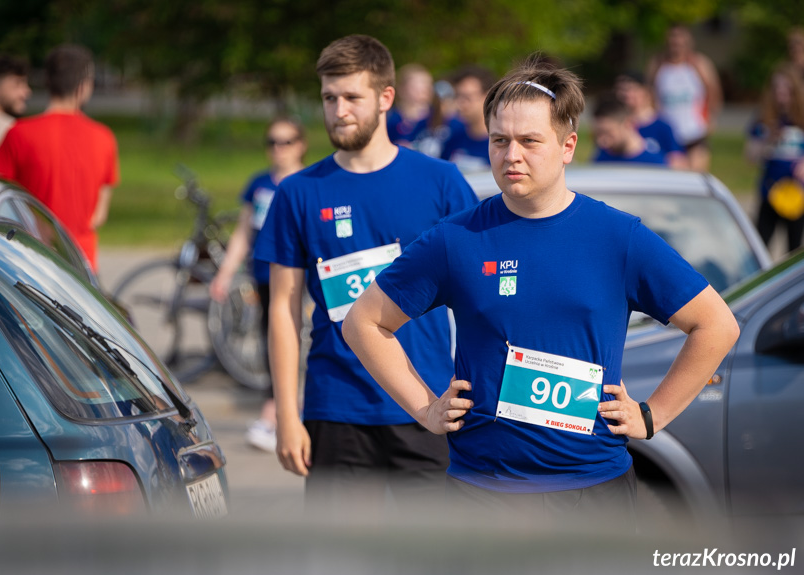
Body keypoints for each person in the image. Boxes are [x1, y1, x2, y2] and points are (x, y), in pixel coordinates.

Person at [342, 56, 739, 524]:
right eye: (499, 141)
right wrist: (426, 408)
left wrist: (653, 415)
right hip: (482, 493)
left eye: (530, 141)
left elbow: (716, 324)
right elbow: (363, 322)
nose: (512, 155)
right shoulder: (456, 239)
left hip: (595, 489)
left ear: (567, 145)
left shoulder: (618, 238)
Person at [254, 34, 477, 511]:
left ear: (385, 97)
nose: (339, 110)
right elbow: (282, 309)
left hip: (427, 403)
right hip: (337, 407)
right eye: (329, 99)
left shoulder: (441, 183)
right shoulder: (297, 192)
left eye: (352, 97)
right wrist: (287, 417)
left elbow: (481, 297)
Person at [209, 117, 307, 452]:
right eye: (272, 142)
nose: (279, 149)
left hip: (304, 277)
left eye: (287, 141)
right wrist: (225, 274)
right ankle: (277, 410)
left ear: (301, 145)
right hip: (266, 275)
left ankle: (285, 410)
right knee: (273, 340)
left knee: (309, 340)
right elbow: (243, 232)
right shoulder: (260, 184)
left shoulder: (310, 182)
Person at [0, 44, 118, 272]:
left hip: (31, 257)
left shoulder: (19, 133)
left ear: (47, 81)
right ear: (84, 85)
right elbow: (98, 216)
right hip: (82, 262)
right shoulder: (104, 138)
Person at [646, 24, 723, 172]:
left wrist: (712, 118)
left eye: (681, 42)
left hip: (694, 133)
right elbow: (649, 93)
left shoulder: (699, 63)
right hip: (667, 133)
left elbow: (714, 92)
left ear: (688, 42)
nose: (676, 46)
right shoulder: (658, 64)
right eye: (673, 42)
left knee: (696, 179)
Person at [745, 64, 804, 253]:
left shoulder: (801, 119)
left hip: (797, 194)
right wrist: (767, 141)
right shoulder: (763, 120)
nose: (781, 94)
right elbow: (750, 157)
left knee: (793, 249)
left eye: (786, 89)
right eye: (776, 88)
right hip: (770, 190)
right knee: (760, 247)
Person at [614, 71, 687, 169]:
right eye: (620, 90)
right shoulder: (615, 126)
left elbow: (677, 162)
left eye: (630, 89)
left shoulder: (663, 126)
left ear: (645, 91)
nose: (624, 94)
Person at [440, 65, 497, 172]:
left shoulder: (502, 143)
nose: (459, 104)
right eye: (457, 96)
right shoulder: (453, 138)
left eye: (467, 97)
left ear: (488, 96)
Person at [592, 92, 667, 165]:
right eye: (598, 134)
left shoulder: (654, 164)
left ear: (628, 124)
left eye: (607, 132)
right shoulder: (600, 160)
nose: (600, 141)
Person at [386, 63, 434, 147]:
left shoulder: (438, 119)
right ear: (402, 89)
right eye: (416, 86)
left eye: (427, 85)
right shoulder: (389, 118)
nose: (423, 90)